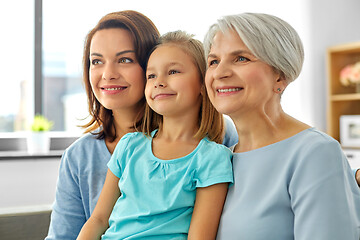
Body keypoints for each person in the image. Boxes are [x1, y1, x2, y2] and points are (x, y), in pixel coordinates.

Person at [45, 10, 238, 240]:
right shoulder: (83, 156)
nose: (108, 74)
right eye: (96, 61)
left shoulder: (220, 140)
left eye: (125, 60)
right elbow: (80, 228)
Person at [203, 12, 360, 239]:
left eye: (241, 58)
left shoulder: (314, 152)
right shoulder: (220, 156)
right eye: (213, 61)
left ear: (280, 76)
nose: (220, 72)